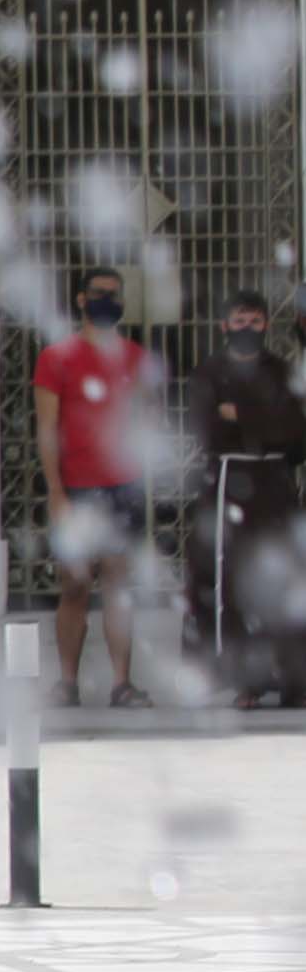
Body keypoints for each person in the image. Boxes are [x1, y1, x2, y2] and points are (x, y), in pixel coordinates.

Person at [33, 262, 164, 706]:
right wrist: (56, 492)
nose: (107, 299)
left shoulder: (135, 358)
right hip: (76, 490)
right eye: (99, 292)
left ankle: (121, 683)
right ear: (82, 300)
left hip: (121, 487)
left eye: (115, 293)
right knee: (73, 585)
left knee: (117, 586)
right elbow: (47, 428)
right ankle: (66, 683)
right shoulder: (57, 358)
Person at [183, 287, 304, 704]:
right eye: (239, 321)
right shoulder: (208, 373)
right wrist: (264, 417)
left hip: (274, 483)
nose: (247, 328)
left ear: (267, 324)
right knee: (232, 584)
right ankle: (245, 681)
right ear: (224, 325)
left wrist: (242, 412)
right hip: (228, 486)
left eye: (255, 320)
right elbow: (207, 430)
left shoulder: (283, 371)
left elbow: (295, 433)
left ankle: (293, 679)